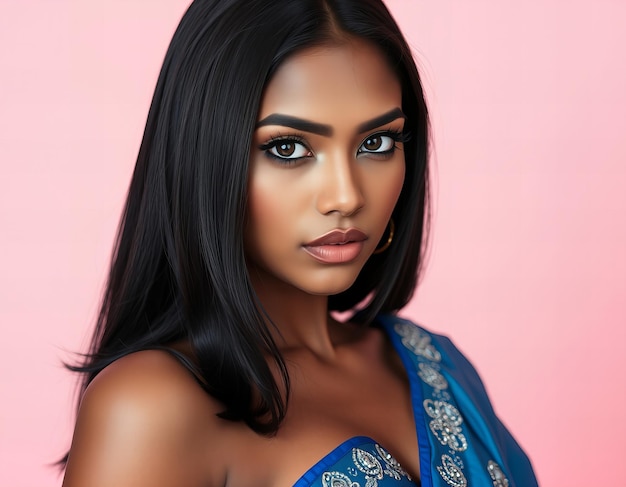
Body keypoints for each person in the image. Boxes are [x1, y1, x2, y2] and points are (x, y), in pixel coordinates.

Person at [61, 1, 538, 486]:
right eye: (288, 148)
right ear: (204, 157)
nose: (346, 197)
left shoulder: (439, 364)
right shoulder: (148, 409)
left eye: (376, 144)